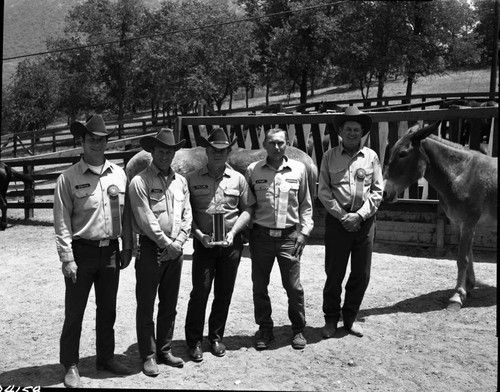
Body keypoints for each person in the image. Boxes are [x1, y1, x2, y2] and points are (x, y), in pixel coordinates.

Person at [53, 114, 133, 389]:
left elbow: (127, 213)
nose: (96, 145)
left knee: (107, 310)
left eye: (101, 140)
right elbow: (62, 221)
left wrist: (127, 246)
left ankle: (106, 358)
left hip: (111, 250)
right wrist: (67, 259)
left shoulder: (119, 174)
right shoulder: (68, 178)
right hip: (82, 252)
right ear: (82, 142)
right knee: (75, 311)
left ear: (106, 142)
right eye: (91, 140)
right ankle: (71, 364)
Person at [184, 128, 255, 362]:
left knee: (224, 293)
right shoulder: (192, 179)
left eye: (223, 150)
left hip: (230, 245)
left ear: (228, 152)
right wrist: (197, 234)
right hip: (204, 244)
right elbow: (187, 213)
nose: (218, 153)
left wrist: (234, 232)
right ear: (206, 150)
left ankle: (215, 337)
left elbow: (247, 210)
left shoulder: (238, 179)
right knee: (200, 293)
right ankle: (193, 341)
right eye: (214, 149)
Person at [127, 128, 192, 377]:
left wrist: (181, 240)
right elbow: (145, 219)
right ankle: (148, 355)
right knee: (146, 304)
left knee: (169, 303)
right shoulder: (140, 181)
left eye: (170, 151)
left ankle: (164, 349)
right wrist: (168, 244)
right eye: (161, 150)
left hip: (175, 248)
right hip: (151, 248)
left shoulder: (181, 182)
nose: (166, 155)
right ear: (152, 151)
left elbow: (187, 214)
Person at [318, 106, 384, 338]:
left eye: (357, 129)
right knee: (334, 273)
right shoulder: (329, 157)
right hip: (338, 222)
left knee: (361, 273)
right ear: (340, 131)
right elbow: (324, 192)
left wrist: (359, 216)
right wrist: (342, 215)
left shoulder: (371, 157)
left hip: (364, 223)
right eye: (348, 129)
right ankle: (330, 320)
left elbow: (377, 191)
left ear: (363, 132)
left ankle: (350, 317)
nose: (353, 133)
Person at [245, 127, 313, 350]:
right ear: (265, 145)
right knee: (260, 286)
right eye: (272, 143)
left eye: (281, 143)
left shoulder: (299, 169)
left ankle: (298, 329)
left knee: (293, 287)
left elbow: (306, 205)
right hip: (261, 237)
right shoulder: (253, 170)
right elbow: (248, 205)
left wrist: (304, 232)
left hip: (289, 237)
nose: (276, 147)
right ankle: (265, 328)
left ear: (287, 144)